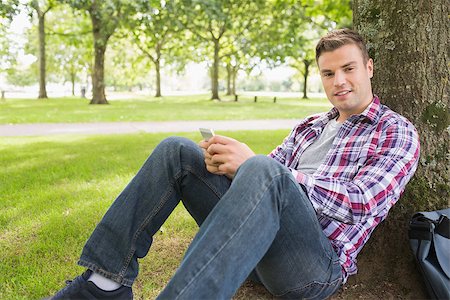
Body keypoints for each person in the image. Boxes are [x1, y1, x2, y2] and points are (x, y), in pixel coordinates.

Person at [49, 29, 420, 300]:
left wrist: (259, 169)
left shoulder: (396, 132)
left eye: (349, 69)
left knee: (262, 169)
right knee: (177, 151)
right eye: (328, 73)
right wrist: (226, 163)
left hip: (313, 268)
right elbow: (263, 178)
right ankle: (103, 286)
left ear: (369, 68)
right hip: (256, 246)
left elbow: (361, 204)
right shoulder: (310, 126)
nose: (339, 81)